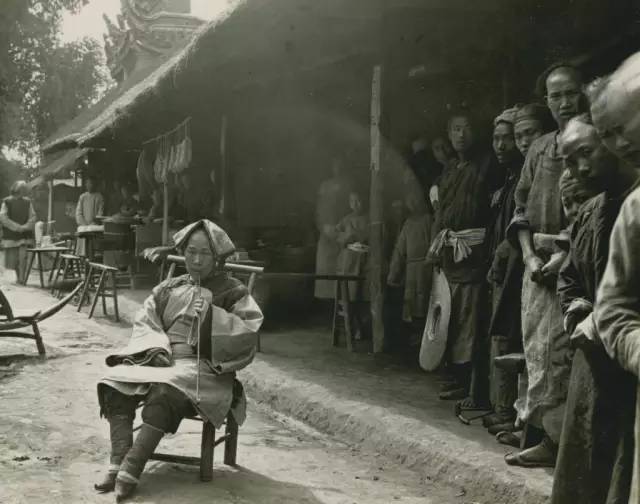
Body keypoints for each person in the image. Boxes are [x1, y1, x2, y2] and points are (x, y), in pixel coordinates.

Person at [95, 219, 263, 502]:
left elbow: (248, 330)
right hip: (162, 358)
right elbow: (146, 321)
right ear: (183, 252)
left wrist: (212, 316)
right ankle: (117, 460)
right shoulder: (168, 288)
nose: (196, 260)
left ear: (217, 257)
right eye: (191, 252)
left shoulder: (233, 291)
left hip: (204, 368)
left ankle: (132, 466)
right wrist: (156, 350)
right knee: (114, 381)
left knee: (165, 391)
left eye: (204, 253)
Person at [551, 108, 638, 503]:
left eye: (586, 152)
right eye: (569, 161)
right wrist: (578, 308)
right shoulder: (588, 211)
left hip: (631, 371)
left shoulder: (635, 208)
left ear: (610, 140)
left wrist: (606, 322)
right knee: (585, 476)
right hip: (591, 370)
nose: (580, 168)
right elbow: (569, 277)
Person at [505, 63, 584, 468]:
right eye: (556, 96)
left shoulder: (592, 141)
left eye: (571, 93)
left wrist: (561, 256)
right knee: (538, 350)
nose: (564, 103)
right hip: (536, 263)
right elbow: (520, 208)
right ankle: (545, 437)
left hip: (576, 261)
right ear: (547, 101)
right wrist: (531, 255)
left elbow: (589, 208)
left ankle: (565, 446)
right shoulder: (539, 148)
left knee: (566, 353)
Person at [592, 53, 640, 503]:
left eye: (622, 127)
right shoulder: (636, 209)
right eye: (607, 134)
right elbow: (614, 307)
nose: (617, 143)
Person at [426, 107, 493, 404]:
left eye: (466, 128)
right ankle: (453, 373)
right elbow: (441, 213)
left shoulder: (487, 165)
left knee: (468, 318)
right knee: (449, 316)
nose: (461, 134)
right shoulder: (450, 169)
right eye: (455, 129)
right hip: (449, 254)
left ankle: (467, 380)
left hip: (472, 254)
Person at [483, 107, 524, 433]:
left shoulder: (524, 175)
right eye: (496, 139)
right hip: (503, 268)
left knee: (509, 337)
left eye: (507, 138)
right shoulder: (509, 178)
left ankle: (509, 411)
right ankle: (502, 407)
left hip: (517, 270)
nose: (501, 145)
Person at [387, 190, 433, 348]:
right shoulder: (408, 223)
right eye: (410, 201)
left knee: (425, 301)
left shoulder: (429, 220)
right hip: (411, 269)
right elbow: (400, 251)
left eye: (416, 200)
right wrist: (394, 274)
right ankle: (416, 334)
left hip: (426, 267)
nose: (412, 204)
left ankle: (424, 336)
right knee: (411, 303)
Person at [315, 156, 352, 299]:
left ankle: (342, 298)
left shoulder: (349, 184)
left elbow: (350, 207)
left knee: (343, 267)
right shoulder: (324, 185)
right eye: (335, 165)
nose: (338, 168)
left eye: (340, 165)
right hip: (326, 229)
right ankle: (326, 302)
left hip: (342, 230)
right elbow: (319, 210)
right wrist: (323, 226)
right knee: (325, 269)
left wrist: (342, 226)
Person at [0, 181, 36, 284]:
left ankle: (22, 279)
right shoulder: (7, 202)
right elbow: (3, 217)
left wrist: (24, 227)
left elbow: (33, 217)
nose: (23, 191)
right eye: (22, 189)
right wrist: (16, 227)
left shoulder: (27, 202)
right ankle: (16, 278)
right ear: (16, 189)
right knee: (13, 260)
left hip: (24, 235)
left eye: (24, 189)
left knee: (23, 257)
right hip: (11, 235)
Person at [75, 176, 105, 257]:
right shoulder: (82, 197)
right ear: (86, 185)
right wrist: (84, 223)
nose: (89, 185)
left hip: (94, 227)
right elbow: (78, 212)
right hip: (84, 226)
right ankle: (82, 259)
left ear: (94, 184)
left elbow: (100, 212)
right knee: (82, 250)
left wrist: (93, 223)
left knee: (92, 249)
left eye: (91, 183)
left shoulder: (99, 196)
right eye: (88, 183)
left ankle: (92, 258)